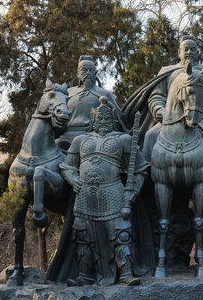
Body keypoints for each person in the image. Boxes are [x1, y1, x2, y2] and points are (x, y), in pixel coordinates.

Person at [57, 97, 148, 286]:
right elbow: (67, 167)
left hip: (113, 192)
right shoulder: (80, 140)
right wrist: (73, 179)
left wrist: (133, 192)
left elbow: (140, 169)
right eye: (100, 119)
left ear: (113, 120)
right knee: (83, 236)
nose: (104, 122)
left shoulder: (123, 139)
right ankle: (85, 275)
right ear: (93, 120)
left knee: (121, 234)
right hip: (85, 194)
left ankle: (125, 273)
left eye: (107, 119)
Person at [122, 35, 203, 182]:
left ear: (198, 52)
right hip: (171, 120)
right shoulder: (168, 72)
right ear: (178, 53)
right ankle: (146, 170)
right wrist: (159, 110)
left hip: (202, 118)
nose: (189, 52)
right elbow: (157, 96)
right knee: (150, 135)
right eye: (185, 49)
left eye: (192, 49)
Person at [58, 55, 123, 149]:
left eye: (91, 70)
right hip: (66, 137)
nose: (88, 73)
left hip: (95, 137)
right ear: (78, 73)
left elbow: (118, 119)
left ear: (95, 73)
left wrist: (99, 125)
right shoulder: (68, 93)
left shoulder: (105, 94)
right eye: (84, 70)